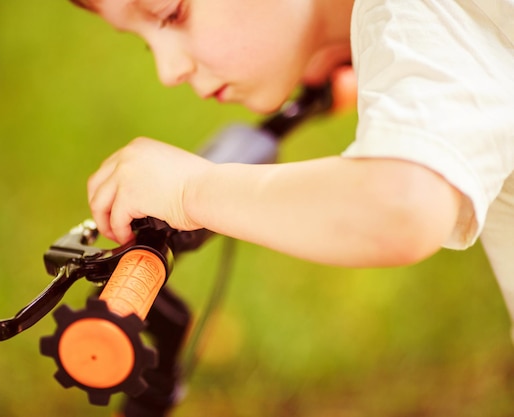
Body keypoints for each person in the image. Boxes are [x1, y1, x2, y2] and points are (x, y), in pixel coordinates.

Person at [73, 0, 514, 335]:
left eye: (171, 13)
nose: (168, 70)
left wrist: (194, 190)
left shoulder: (418, 16)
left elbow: (401, 207)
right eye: (144, 39)